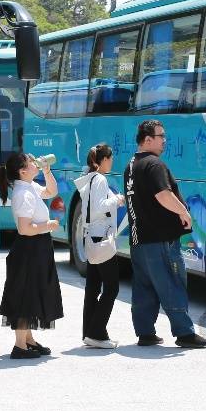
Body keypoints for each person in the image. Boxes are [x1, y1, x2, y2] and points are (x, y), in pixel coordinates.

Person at [123, 120, 206, 348]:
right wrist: (183, 212)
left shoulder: (131, 165)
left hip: (139, 238)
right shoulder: (154, 164)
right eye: (161, 136)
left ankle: (145, 333)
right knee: (172, 283)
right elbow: (163, 194)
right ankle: (184, 333)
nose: (165, 140)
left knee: (144, 287)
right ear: (148, 139)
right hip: (160, 239)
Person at [0, 151, 64, 359]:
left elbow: (51, 191)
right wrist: (48, 225)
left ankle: (28, 340)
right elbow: (25, 229)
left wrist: (47, 171)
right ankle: (20, 346)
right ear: (22, 171)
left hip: (36, 246)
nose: (36, 162)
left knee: (32, 292)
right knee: (25, 294)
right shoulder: (23, 193)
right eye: (31, 161)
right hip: (29, 247)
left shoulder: (29, 186)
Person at [75, 144, 124, 349]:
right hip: (101, 238)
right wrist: (117, 200)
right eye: (110, 158)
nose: (112, 162)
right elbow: (98, 208)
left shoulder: (89, 178)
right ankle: (96, 332)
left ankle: (89, 332)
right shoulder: (101, 179)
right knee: (111, 287)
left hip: (91, 237)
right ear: (102, 160)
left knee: (93, 287)